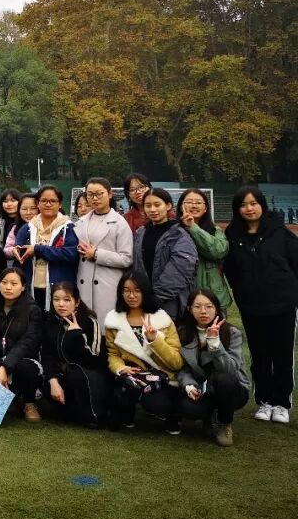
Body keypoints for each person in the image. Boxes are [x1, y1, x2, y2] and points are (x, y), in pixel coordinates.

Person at [223, 186, 298, 424]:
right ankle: (264, 401)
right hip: (252, 307)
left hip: (283, 306)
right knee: (260, 355)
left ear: (262, 205)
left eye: (253, 203)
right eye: (243, 204)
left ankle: (282, 403)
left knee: (282, 355)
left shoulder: (281, 233)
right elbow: (232, 272)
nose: (249, 208)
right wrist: (243, 294)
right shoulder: (233, 236)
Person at [104, 271, 183, 433]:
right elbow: (113, 354)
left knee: (157, 404)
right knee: (123, 389)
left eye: (137, 290)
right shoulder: (113, 320)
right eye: (126, 290)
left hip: (162, 378)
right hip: (133, 376)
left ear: (145, 291)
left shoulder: (162, 319)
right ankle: (126, 414)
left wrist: (155, 340)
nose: (131, 296)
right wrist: (121, 368)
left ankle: (171, 415)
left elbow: (176, 362)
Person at [177, 289, 250, 446]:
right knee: (188, 408)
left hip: (232, 388)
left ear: (216, 308)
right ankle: (208, 417)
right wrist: (189, 385)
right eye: (197, 306)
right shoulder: (183, 332)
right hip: (203, 387)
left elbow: (231, 370)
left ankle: (224, 424)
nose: (203, 311)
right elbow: (182, 369)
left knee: (223, 379)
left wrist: (215, 343)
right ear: (189, 309)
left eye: (209, 306)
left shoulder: (232, 332)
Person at [0, 267, 44, 422]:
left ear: (23, 287)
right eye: (4, 282)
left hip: (21, 360)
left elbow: (27, 343)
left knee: (26, 368)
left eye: (14, 284)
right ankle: (11, 401)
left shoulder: (32, 310)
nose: (8, 287)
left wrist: (5, 366)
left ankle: (29, 402)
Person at [41, 282, 109, 428]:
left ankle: (90, 413)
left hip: (88, 377)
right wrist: (53, 382)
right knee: (45, 380)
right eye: (56, 299)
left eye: (67, 300)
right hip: (62, 374)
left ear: (77, 302)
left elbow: (95, 361)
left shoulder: (90, 322)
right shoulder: (50, 322)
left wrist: (77, 336)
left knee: (75, 374)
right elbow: (47, 356)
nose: (61, 304)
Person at [132, 188, 197, 320]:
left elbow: (180, 269)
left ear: (168, 206)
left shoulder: (178, 234)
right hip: (144, 301)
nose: (152, 210)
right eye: (148, 205)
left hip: (171, 302)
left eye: (157, 205)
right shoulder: (141, 233)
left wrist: (156, 297)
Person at [75, 178, 133, 320]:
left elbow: (127, 259)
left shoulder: (120, 223)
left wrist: (97, 254)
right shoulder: (80, 222)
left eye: (99, 194)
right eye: (90, 194)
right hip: (83, 285)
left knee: (106, 325)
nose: (94, 198)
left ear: (110, 194)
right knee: (86, 325)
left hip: (107, 286)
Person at [13, 186, 79, 310]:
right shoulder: (27, 228)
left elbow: (70, 254)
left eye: (53, 201)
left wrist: (38, 249)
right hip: (31, 289)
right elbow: (20, 251)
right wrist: (16, 251)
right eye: (44, 201)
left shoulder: (69, 228)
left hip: (59, 291)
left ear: (60, 204)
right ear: (38, 203)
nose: (48, 204)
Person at [176, 188, 231, 311]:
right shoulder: (174, 231)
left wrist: (192, 227)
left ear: (205, 208)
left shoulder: (215, 231)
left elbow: (218, 251)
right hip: (183, 294)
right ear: (180, 206)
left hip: (212, 296)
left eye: (199, 202)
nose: (194, 205)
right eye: (189, 202)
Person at [3, 192, 38, 259]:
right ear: (19, 210)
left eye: (33, 208)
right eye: (24, 209)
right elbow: (6, 249)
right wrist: (13, 250)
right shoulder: (15, 228)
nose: (28, 212)